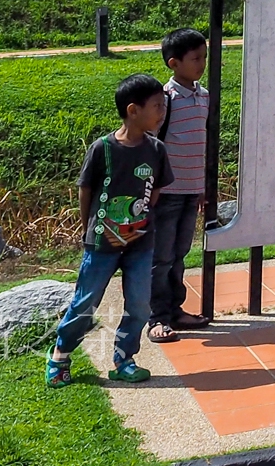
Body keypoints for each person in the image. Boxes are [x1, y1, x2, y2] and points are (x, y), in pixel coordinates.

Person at [47, 73, 173, 387]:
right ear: (133, 110)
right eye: (157, 106)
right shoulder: (102, 148)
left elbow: (154, 190)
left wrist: (141, 218)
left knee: (139, 304)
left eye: (164, 106)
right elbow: (85, 190)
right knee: (86, 301)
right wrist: (87, 227)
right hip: (101, 243)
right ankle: (60, 354)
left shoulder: (156, 150)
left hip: (141, 244)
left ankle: (124, 360)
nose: (162, 112)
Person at [149, 29, 211, 342]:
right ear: (174, 63)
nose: (202, 63)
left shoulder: (204, 95)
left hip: (191, 190)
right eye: (195, 58)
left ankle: (175, 310)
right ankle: (157, 317)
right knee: (161, 258)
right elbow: (151, 143)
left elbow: (201, 143)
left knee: (179, 254)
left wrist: (202, 187)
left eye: (204, 56)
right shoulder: (164, 100)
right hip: (167, 192)